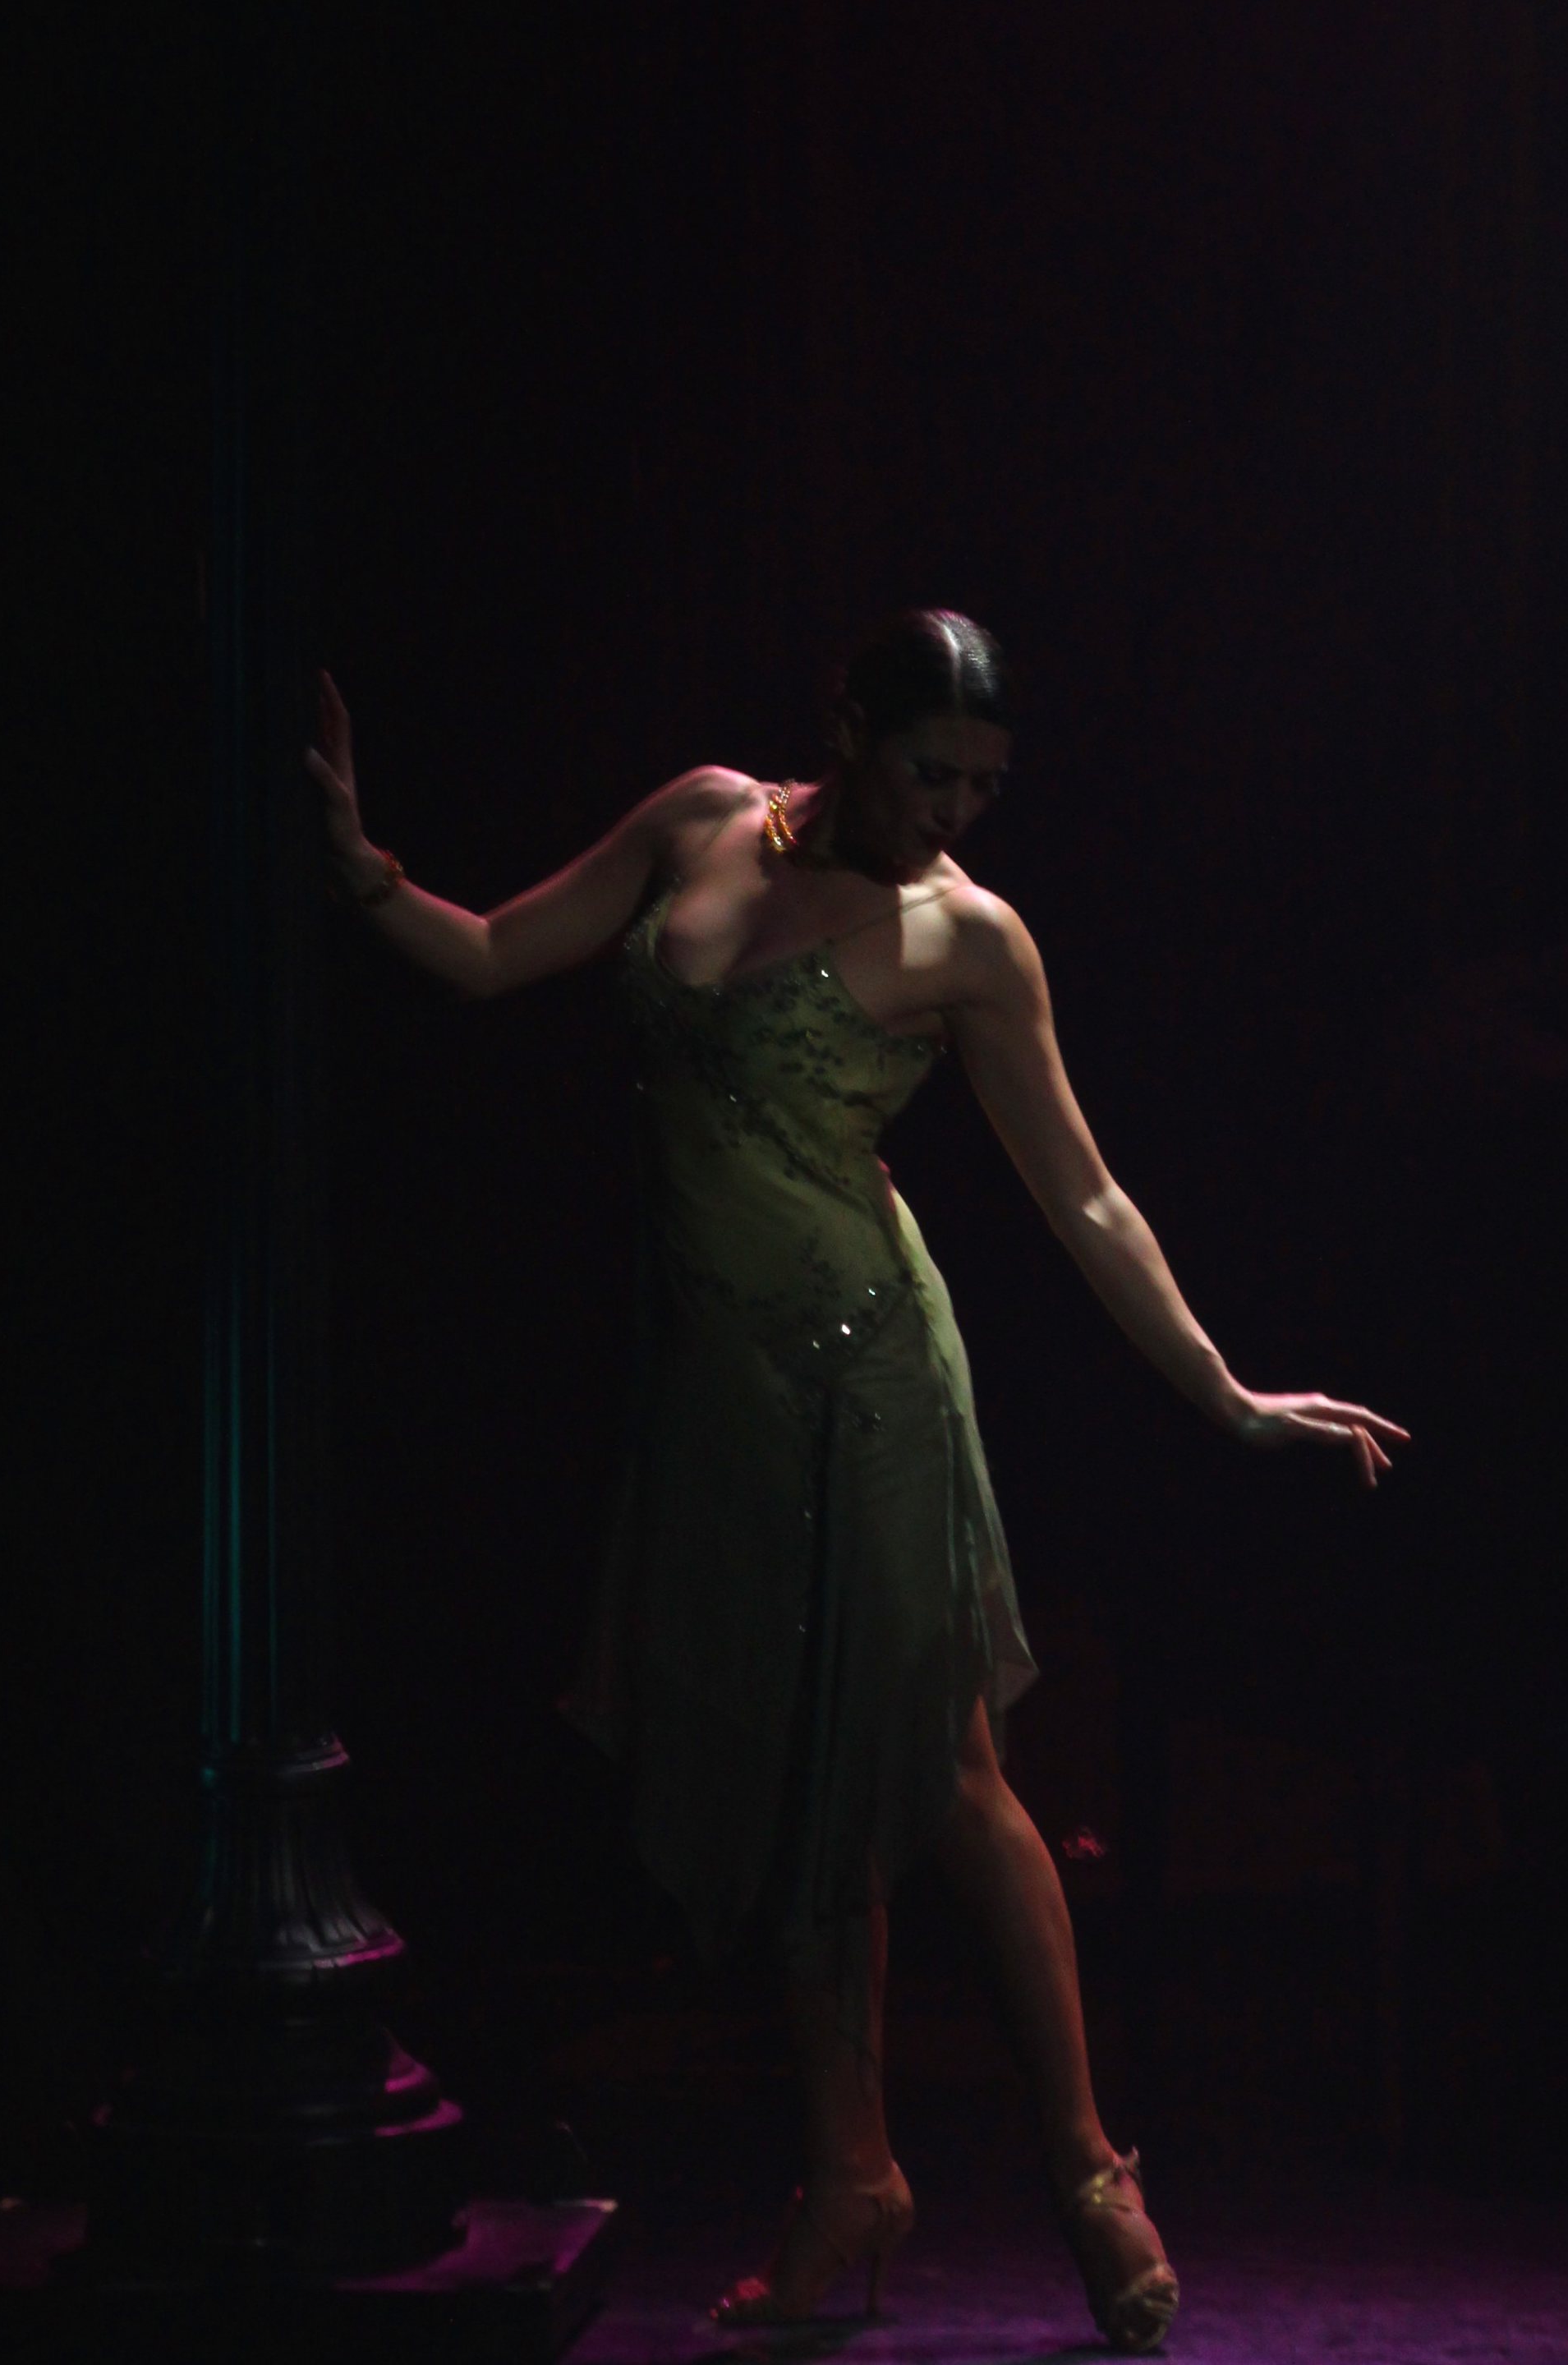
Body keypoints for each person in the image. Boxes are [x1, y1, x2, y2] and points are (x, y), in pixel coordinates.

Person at [308, 610, 1406, 2353]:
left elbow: (1086, 1193)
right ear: (848, 726)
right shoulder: (699, 818)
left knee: (947, 1773)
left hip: (871, 1376)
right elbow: (496, 952)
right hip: (716, 1393)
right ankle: (851, 2177)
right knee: (793, 1783)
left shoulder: (969, 936)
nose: (954, 809)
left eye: (983, 783)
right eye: (929, 770)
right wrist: (359, 865)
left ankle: (1085, 2164)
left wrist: (1223, 1391)